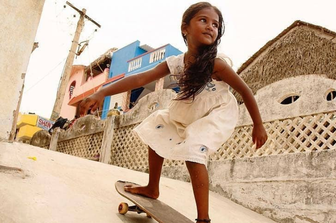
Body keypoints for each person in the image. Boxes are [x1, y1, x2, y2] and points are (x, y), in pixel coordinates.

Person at [79, 2, 268, 222]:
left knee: (193, 152)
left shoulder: (216, 64)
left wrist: (258, 124)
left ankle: (203, 219)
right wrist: (102, 92)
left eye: (216, 25)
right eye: (203, 20)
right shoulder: (176, 63)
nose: (210, 27)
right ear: (185, 28)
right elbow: (139, 79)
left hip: (215, 113)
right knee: (157, 130)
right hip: (188, 109)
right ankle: (152, 188)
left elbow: (245, 91)